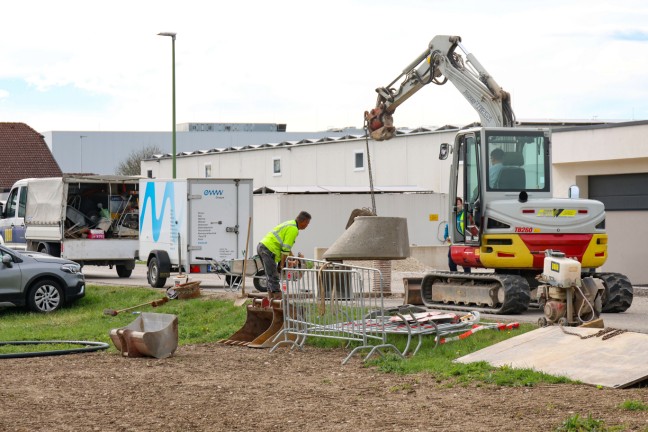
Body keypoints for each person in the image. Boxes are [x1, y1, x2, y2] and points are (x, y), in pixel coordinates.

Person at [257, 211, 312, 299]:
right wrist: (282, 265)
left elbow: (287, 248)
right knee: (273, 275)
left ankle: (271, 298)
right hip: (268, 249)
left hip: (263, 247)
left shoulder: (290, 224)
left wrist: (293, 258)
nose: (307, 226)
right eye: (308, 223)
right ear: (304, 221)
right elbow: (285, 250)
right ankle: (277, 299)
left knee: (269, 275)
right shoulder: (293, 229)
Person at [443, 197, 471, 273]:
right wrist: (446, 237)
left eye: (458, 204)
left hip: (463, 243)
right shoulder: (452, 216)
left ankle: (468, 277)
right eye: (456, 204)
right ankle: (454, 276)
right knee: (451, 263)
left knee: (465, 263)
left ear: (461, 204)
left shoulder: (465, 215)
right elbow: (447, 228)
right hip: (453, 244)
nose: (457, 206)